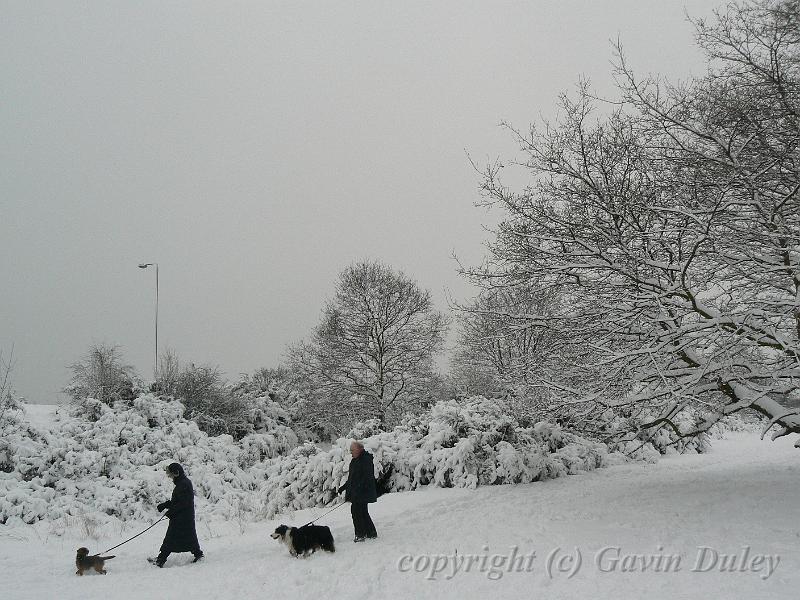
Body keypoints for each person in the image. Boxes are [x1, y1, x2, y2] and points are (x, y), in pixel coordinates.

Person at [149, 462, 204, 567]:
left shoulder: (184, 484)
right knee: (189, 537)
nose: (169, 476)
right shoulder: (182, 483)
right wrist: (165, 505)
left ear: (176, 473)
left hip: (182, 518)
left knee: (170, 539)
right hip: (183, 517)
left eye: (170, 474)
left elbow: (183, 503)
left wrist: (171, 512)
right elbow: (178, 501)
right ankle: (198, 554)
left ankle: (160, 560)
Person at [338, 440, 378, 542]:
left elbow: (367, 478)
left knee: (356, 512)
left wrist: (357, 489)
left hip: (363, 492)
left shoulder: (365, 460)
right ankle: (371, 532)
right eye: (350, 450)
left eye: (352, 450)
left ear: (360, 449)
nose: (351, 452)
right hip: (357, 492)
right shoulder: (355, 460)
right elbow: (352, 478)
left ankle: (360, 534)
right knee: (362, 512)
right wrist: (343, 487)